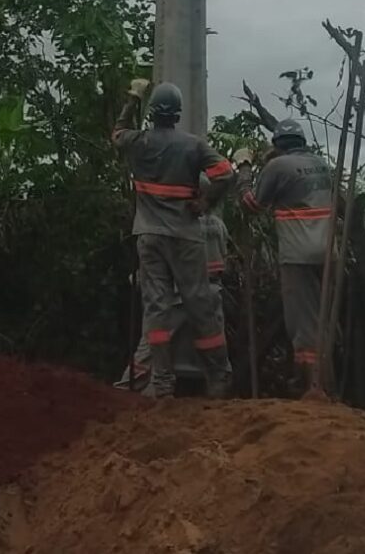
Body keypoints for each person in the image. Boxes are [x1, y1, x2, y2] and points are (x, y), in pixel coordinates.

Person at [112, 80, 234, 398]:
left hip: (148, 236)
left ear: (152, 112)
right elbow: (226, 173)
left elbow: (117, 133)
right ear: (177, 114)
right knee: (200, 304)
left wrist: (133, 96)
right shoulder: (193, 146)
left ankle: (162, 384)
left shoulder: (138, 141)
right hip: (184, 236)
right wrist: (205, 203)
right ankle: (218, 378)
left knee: (156, 309)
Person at [234, 118, 333, 395]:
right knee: (320, 318)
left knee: (301, 324)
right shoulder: (319, 164)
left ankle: (312, 388)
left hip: (298, 253)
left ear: (277, 144)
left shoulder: (277, 166)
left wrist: (244, 169)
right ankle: (323, 382)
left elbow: (251, 205)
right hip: (326, 253)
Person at [115, 177, 232, 394]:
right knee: (210, 351)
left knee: (152, 348)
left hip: (176, 298)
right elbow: (223, 263)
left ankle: (126, 390)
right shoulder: (217, 225)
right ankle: (218, 389)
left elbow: (160, 268)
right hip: (210, 297)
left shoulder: (172, 226)